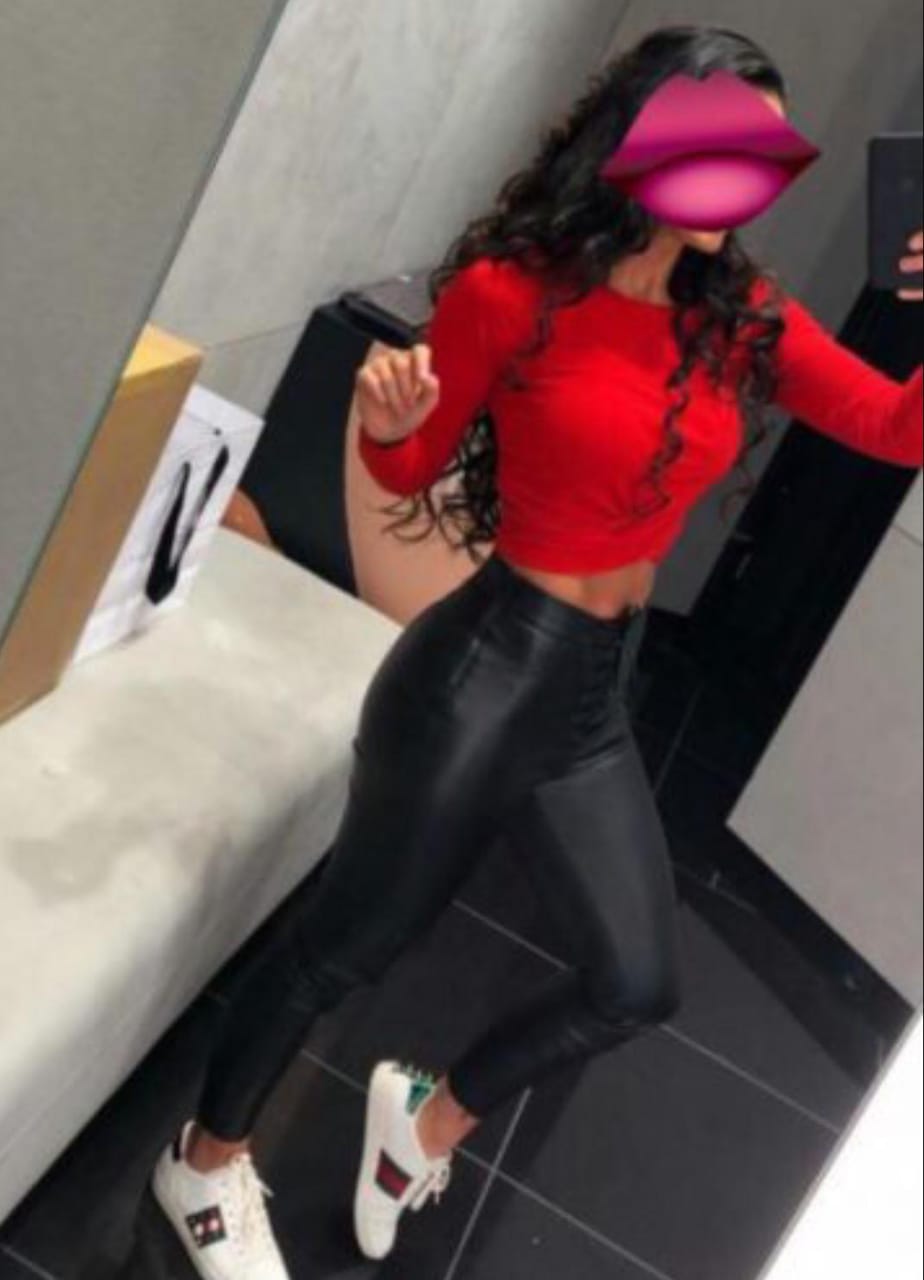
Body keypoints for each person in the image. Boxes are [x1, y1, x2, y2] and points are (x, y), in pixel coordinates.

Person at [150, 24, 924, 1279]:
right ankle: (203, 1158)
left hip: (590, 696)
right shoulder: (516, 291)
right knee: (342, 947)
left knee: (635, 977)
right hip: (482, 673)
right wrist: (389, 424)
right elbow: (412, 463)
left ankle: (422, 1122)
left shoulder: (742, 318)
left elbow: (896, 426)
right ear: (649, 137)